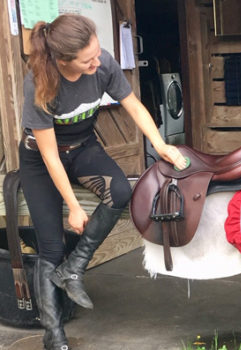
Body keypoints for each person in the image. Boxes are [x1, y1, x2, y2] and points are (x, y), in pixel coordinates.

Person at [19, 14, 187, 350]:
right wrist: (74, 207)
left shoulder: (103, 63)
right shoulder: (40, 81)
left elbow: (134, 106)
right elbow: (51, 156)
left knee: (121, 191)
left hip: (83, 148)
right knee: (50, 245)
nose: (98, 61)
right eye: (88, 60)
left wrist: (160, 143)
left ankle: (75, 267)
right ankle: (54, 336)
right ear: (64, 60)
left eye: (97, 53)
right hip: (41, 159)